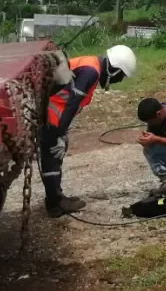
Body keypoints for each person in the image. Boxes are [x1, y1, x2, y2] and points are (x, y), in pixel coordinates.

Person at [41, 44, 137, 217]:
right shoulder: (92, 72)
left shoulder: (91, 65)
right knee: (52, 155)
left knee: (54, 155)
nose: (119, 80)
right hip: (51, 115)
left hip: (54, 114)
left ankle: (56, 196)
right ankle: (54, 204)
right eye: (120, 75)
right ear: (114, 69)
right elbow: (72, 103)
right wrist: (60, 134)